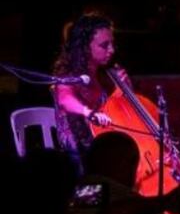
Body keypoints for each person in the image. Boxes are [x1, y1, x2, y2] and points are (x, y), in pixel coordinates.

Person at [51, 13, 130, 166]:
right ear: (85, 47)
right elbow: (65, 100)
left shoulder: (103, 75)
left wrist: (126, 89)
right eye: (104, 45)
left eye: (112, 44)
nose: (112, 50)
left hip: (101, 143)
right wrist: (88, 112)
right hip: (78, 152)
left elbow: (117, 109)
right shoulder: (68, 74)